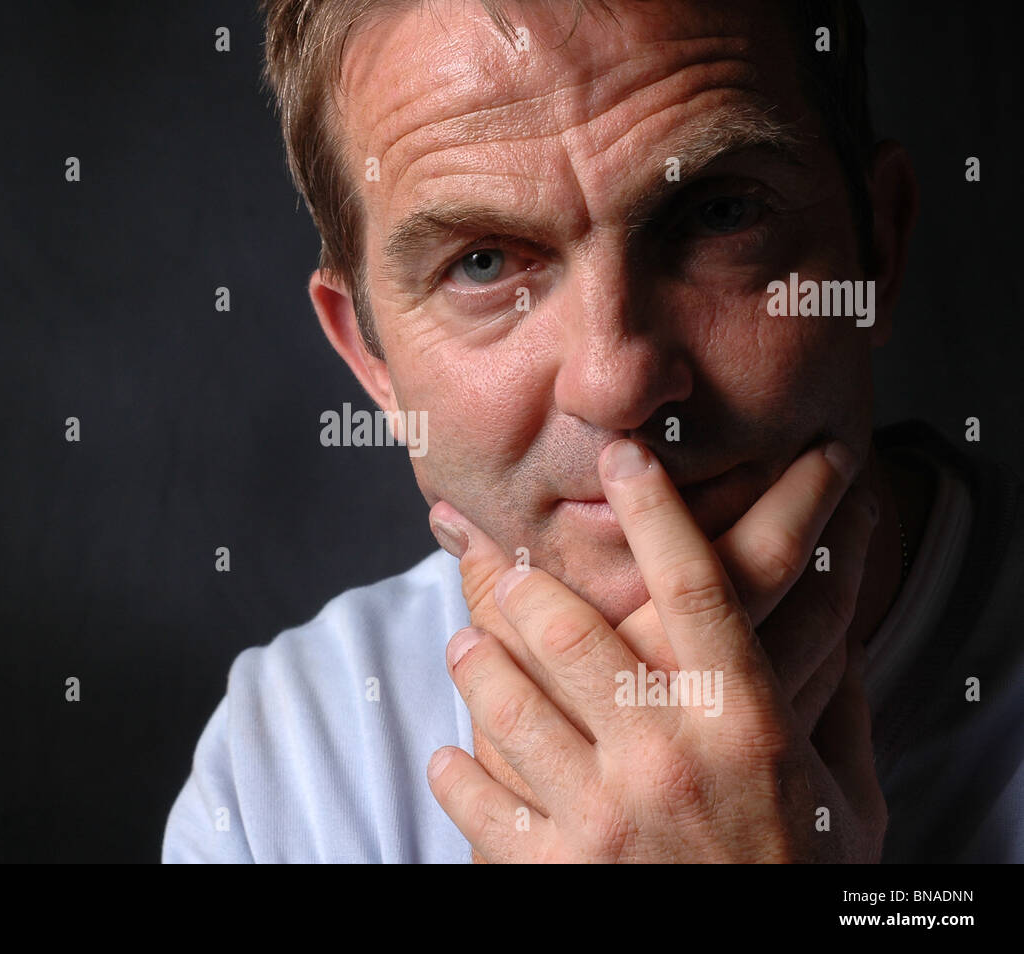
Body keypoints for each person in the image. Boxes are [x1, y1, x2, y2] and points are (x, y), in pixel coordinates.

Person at [163, 0, 1024, 862]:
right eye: (484, 263)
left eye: (719, 215)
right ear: (371, 361)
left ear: (877, 245)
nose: (617, 382)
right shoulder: (283, 768)